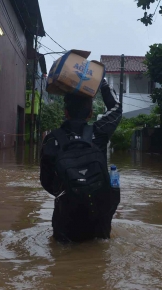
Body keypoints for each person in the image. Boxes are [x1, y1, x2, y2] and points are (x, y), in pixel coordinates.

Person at [40, 79, 122, 242]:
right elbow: (116, 108)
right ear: (91, 113)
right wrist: (102, 84)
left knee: (63, 260)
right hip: (99, 220)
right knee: (100, 257)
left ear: (65, 112)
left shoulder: (52, 140)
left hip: (66, 220)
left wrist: (71, 191)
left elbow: (46, 181)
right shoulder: (99, 133)